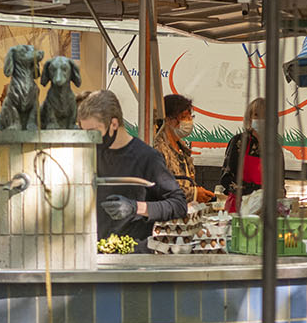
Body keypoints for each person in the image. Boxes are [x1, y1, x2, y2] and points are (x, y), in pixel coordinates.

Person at [80, 89, 187, 245]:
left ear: (114, 124)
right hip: (94, 253)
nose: (89, 139)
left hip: (134, 256)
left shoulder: (147, 158)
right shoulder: (89, 155)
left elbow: (178, 205)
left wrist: (136, 207)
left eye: (93, 132)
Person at [156, 93, 214, 204]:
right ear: (167, 119)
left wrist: (198, 192)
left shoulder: (183, 149)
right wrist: (194, 194)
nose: (188, 121)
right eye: (183, 117)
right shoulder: (158, 149)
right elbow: (159, 188)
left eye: (189, 117)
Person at [219, 101, 265, 213]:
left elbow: (279, 184)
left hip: (265, 209)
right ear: (249, 118)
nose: (261, 119)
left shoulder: (274, 147)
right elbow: (226, 178)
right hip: (238, 207)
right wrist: (254, 192)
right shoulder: (239, 142)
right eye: (256, 115)